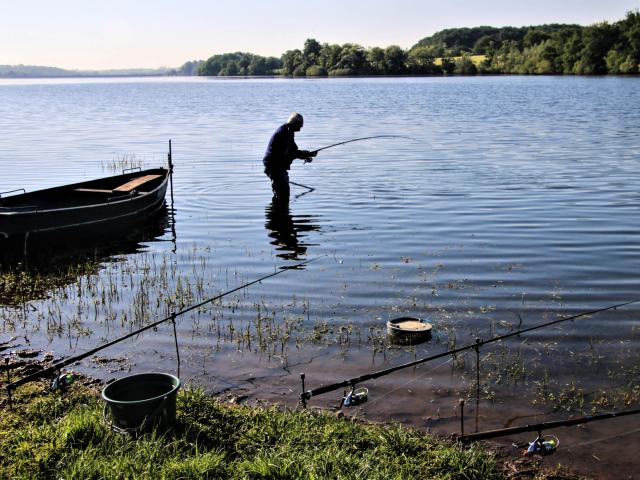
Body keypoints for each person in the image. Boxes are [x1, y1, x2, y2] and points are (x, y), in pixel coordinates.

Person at [263, 113, 317, 201]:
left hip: (278, 165)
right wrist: (306, 154)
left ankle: (279, 211)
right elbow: (290, 153)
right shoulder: (285, 132)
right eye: (300, 125)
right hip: (274, 165)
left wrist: (308, 154)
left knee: (284, 193)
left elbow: (294, 150)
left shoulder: (289, 132)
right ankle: (279, 212)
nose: (301, 127)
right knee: (283, 194)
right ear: (295, 123)